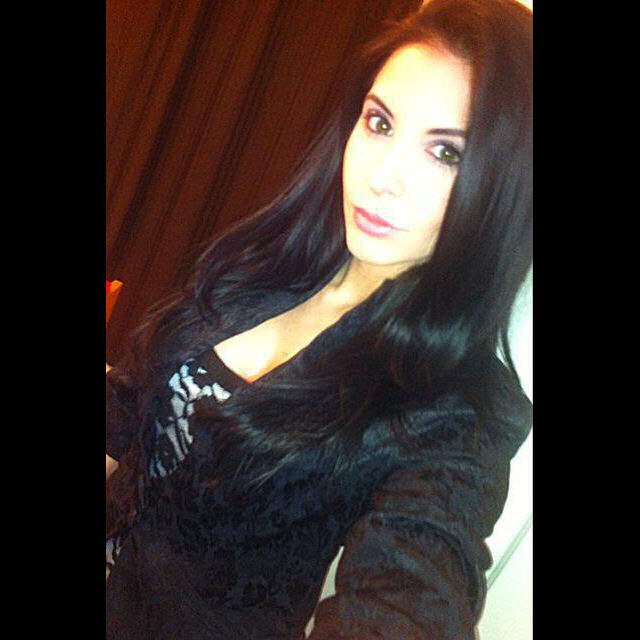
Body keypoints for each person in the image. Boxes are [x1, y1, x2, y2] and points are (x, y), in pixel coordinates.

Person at [105, 0, 533, 637]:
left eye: (446, 153)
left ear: (505, 186)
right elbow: (131, 403)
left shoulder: (458, 409)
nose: (382, 177)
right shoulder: (269, 261)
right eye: (380, 122)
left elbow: (412, 589)